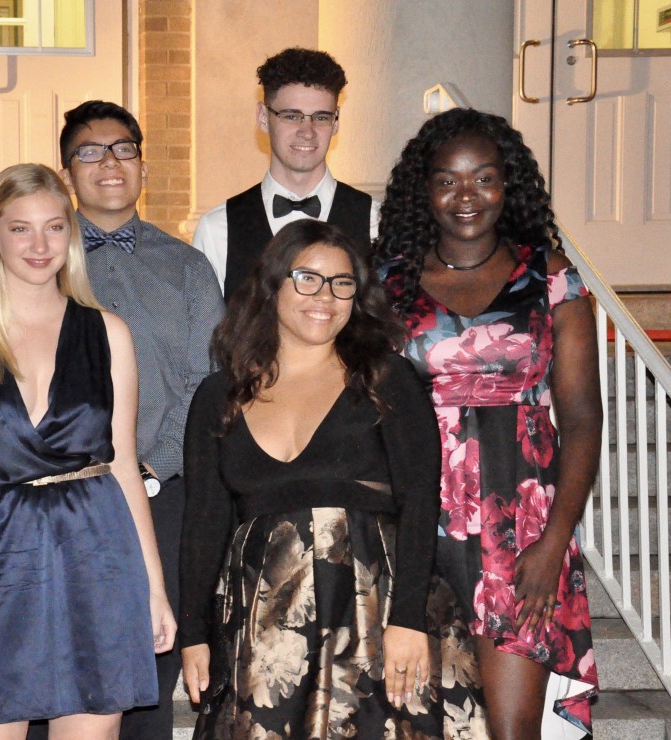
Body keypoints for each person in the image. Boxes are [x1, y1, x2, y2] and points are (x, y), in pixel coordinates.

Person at [179, 219, 485, 737]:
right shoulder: (218, 396)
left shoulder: (387, 379)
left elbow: (418, 504)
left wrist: (408, 619)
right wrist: (193, 632)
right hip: (262, 627)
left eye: (342, 283)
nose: (325, 296)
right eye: (307, 278)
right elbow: (204, 523)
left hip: (375, 613)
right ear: (272, 285)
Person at [0, 163, 177, 738]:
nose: (39, 245)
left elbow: (125, 469)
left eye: (54, 227)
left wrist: (153, 589)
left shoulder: (109, 333)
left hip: (98, 559)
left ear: (71, 234)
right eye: (20, 229)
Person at [377, 108, 601, 739]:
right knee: (414, 724)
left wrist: (553, 544)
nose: (465, 196)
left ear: (510, 185)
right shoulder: (386, 282)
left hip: (521, 529)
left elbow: (583, 419)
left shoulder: (550, 278)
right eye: (447, 180)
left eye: (483, 178)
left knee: (511, 730)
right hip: (413, 521)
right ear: (424, 191)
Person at [49, 100, 225, 740]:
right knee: (61, 658)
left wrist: (151, 467)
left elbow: (208, 381)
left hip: (165, 492)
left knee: (152, 658)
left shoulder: (186, 267)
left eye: (123, 148)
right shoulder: (37, 257)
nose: (109, 163)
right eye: (90, 152)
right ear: (67, 170)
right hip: (60, 495)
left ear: (144, 165)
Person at [191, 47, 379, 300]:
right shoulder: (216, 228)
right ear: (263, 117)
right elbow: (209, 335)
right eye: (292, 116)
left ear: (336, 122)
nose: (307, 131)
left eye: (320, 118)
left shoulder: (376, 221)